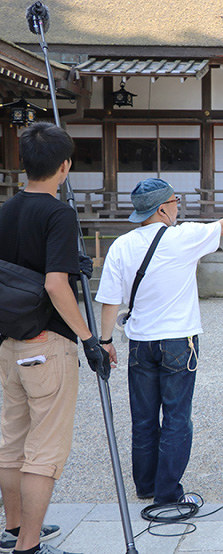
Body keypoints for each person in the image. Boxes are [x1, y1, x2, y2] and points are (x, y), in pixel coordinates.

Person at [95, 178, 223, 506]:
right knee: (177, 418)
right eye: (175, 201)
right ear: (163, 209)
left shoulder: (121, 246)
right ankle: (168, 495)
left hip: (139, 343)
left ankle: (146, 484)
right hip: (179, 342)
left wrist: (105, 342)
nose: (179, 207)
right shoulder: (183, 237)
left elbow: (108, 301)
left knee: (143, 418)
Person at [0, 122, 109, 554]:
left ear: (22, 163)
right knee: (44, 449)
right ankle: (29, 545)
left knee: (10, 442)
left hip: (10, 344)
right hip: (48, 344)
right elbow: (54, 285)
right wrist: (89, 339)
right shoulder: (59, 213)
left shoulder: (5, 210)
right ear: (64, 167)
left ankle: (14, 529)